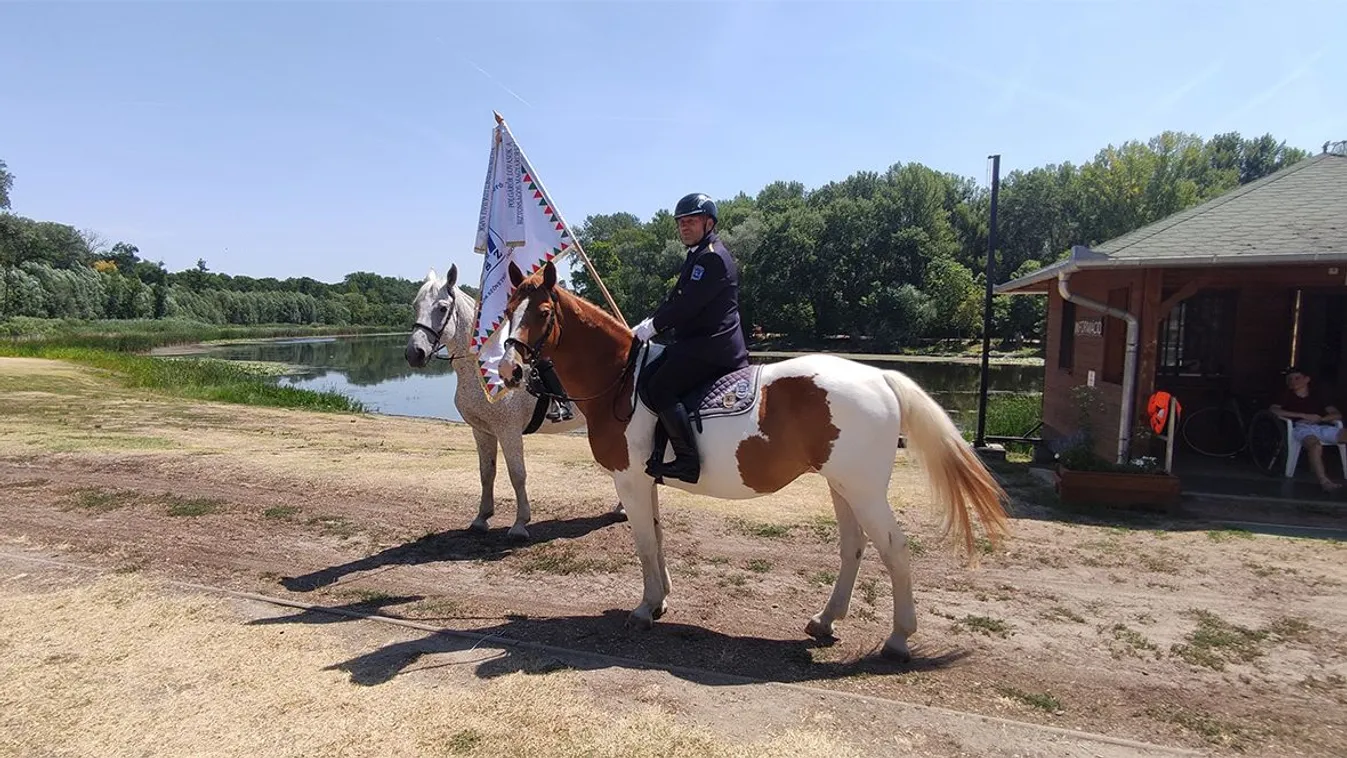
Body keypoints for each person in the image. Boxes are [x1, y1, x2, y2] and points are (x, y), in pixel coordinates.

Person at [630, 192, 750, 484]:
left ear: (709, 223)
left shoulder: (712, 258)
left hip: (712, 346)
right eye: (681, 222)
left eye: (691, 221)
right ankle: (658, 451)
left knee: (659, 387)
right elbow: (675, 301)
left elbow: (687, 307)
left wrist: (653, 328)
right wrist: (648, 322)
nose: (684, 226)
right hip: (695, 343)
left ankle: (686, 460)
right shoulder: (697, 256)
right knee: (648, 376)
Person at [1270, 366, 1347, 492]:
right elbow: (1273, 410)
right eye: (1290, 379)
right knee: (1315, 446)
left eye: (1297, 378)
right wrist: (1302, 415)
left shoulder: (1318, 395)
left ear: (1306, 379)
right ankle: (1324, 481)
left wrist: (1320, 419)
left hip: (1321, 426)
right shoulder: (1286, 395)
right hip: (1301, 428)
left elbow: (1336, 414)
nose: (1293, 381)